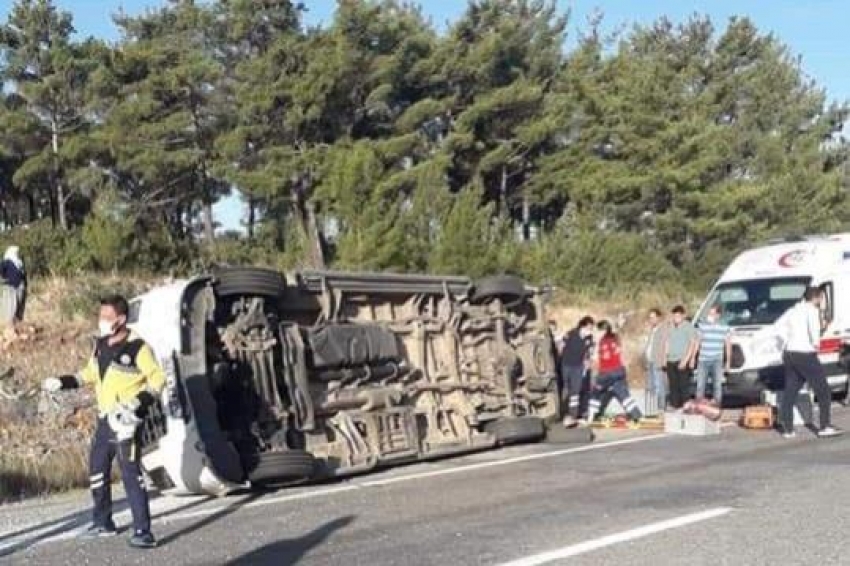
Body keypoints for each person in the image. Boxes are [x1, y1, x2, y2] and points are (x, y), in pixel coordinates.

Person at [42, 295, 165, 549]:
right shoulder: (100, 345)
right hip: (104, 419)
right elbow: (89, 373)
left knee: (131, 475)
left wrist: (136, 405)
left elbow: (158, 380)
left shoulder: (138, 348)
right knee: (97, 471)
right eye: (101, 316)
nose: (102, 321)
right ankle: (103, 522)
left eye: (107, 317)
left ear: (120, 320)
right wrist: (63, 382)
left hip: (127, 422)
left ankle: (143, 531)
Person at [775, 287, 842, 439]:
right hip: (805, 353)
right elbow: (814, 330)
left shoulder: (792, 310)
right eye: (821, 298)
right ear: (816, 298)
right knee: (823, 390)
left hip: (789, 353)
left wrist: (786, 341)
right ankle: (824, 426)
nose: (821, 301)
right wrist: (817, 342)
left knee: (790, 391)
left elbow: (778, 328)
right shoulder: (812, 311)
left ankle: (788, 429)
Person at [587, 320, 642, 423]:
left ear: (602, 330)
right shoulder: (615, 338)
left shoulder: (601, 341)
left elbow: (598, 359)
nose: (595, 332)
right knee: (623, 393)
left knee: (596, 393)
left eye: (597, 330)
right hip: (619, 370)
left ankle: (591, 417)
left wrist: (595, 372)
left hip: (606, 372)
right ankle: (636, 414)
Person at [559, 316, 595, 427]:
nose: (589, 330)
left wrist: (587, 364)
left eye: (591, 328)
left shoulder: (589, 339)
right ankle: (561, 412)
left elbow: (588, 353)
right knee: (565, 388)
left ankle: (573, 415)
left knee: (576, 390)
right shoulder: (572, 333)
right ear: (582, 326)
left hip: (578, 367)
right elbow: (561, 345)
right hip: (566, 365)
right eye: (588, 327)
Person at [661, 305, 698, 410]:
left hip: (682, 359)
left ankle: (685, 406)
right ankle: (674, 405)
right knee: (673, 386)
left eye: (678, 316)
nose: (676, 318)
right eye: (674, 315)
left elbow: (692, 344)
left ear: (682, 316)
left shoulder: (688, 327)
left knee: (683, 386)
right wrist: (664, 358)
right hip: (670, 360)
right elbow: (666, 342)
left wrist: (686, 360)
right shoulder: (670, 327)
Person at [695, 305, 732, 406]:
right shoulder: (702, 325)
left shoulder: (725, 327)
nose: (710, 316)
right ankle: (699, 406)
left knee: (717, 385)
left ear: (718, 315)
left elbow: (728, 345)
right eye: (709, 313)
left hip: (717, 359)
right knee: (700, 385)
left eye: (712, 314)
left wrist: (728, 362)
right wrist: (693, 357)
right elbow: (697, 342)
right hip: (703, 359)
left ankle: (716, 406)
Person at [643, 308, 667, 414]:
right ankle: (653, 408)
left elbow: (665, 345)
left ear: (658, 317)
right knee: (651, 385)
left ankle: (661, 407)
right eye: (650, 318)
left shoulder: (663, 330)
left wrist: (664, 360)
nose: (651, 320)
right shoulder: (652, 330)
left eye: (653, 317)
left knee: (659, 385)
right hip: (650, 361)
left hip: (658, 360)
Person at [0, 246, 26, 323]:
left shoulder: (7, 261)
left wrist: (4, 279)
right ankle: (17, 323)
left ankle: (9, 325)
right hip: (21, 287)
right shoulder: (19, 262)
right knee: (19, 307)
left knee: (9, 308)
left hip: (11, 287)